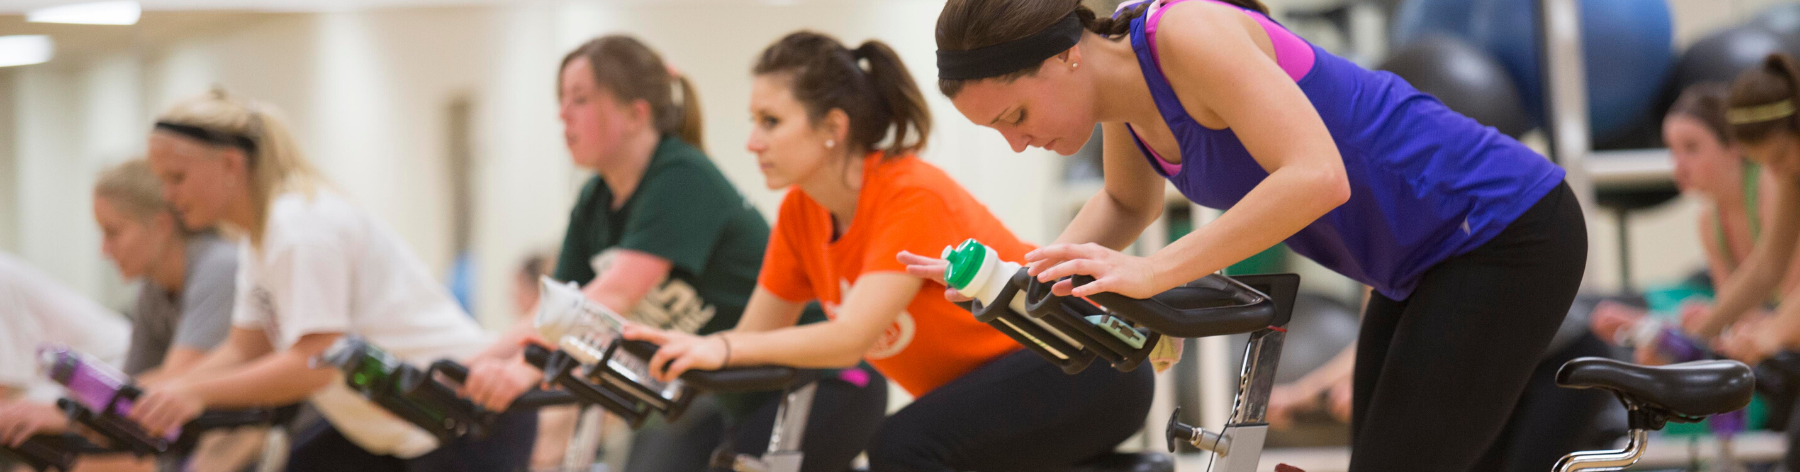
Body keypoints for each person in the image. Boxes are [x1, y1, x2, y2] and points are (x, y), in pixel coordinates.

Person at [931, 1, 1586, 470]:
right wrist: (1019, 281)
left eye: (1017, 115)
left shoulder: (1185, 33)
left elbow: (1317, 176)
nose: (1017, 143)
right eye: (999, 131)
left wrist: (1157, 271)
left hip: (1501, 226)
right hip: (1421, 262)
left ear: (1067, 54)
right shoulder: (1122, 99)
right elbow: (1127, 203)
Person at [626, 31, 1155, 472]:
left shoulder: (908, 193)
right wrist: (682, 349)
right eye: (753, 122)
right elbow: (752, 339)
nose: (752, 143)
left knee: (899, 446)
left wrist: (722, 348)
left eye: (770, 122)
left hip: (1085, 364)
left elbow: (848, 340)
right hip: (998, 387)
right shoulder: (800, 214)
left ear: (833, 128)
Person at [454, 36, 886, 472]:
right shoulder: (594, 200)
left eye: (580, 99)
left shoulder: (680, 176)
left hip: (826, 384)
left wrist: (519, 373)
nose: (562, 114)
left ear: (635, 113)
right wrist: (468, 366)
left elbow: (614, 293)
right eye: (561, 100)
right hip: (738, 397)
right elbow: (555, 309)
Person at [128, 89, 531, 472]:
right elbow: (244, 348)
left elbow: (317, 363)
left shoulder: (299, 226)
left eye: (177, 177)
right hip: (403, 427)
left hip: (466, 413)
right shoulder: (259, 237)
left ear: (231, 165)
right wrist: (152, 392)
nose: (168, 195)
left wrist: (196, 393)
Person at [0, 160, 246, 472]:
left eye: (113, 232)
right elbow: (129, 391)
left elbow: (173, 382)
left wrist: (67, 413)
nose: (104, 250)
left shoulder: (219, 266)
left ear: (161, 225)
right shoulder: (152, 290)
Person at [1589, 83, 1800, 364]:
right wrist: (1668, 332)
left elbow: (1785, 311)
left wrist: (1668, 328)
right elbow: (1738, 316)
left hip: (1786, 331)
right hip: (1774, 329)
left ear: (1734, 147)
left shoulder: (1769, 184)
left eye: (1691, 148)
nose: (1678, 165)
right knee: (1661, 350)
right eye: (1672, 150)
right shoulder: (1709, 222)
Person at [1681, 54, 1800, 472]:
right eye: (1764, 163)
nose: (1776, 171)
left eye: (1780, 156)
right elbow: (1767, 265)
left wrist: (1773, 331)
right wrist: (1700, 334)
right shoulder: (1789, 172)